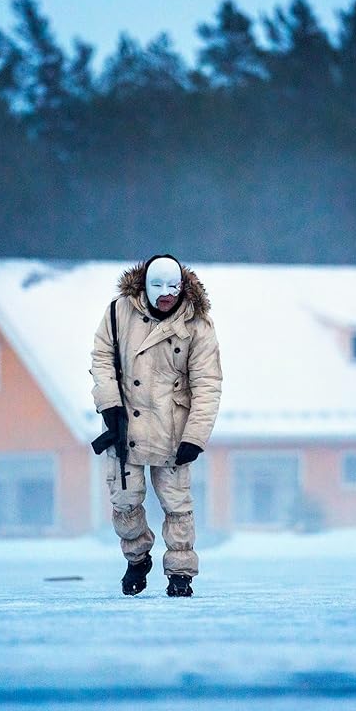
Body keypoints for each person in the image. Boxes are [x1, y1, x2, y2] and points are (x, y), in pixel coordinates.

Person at [90, 254, 222, 597]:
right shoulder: (118, 314)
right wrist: (109, 405)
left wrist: (196, 436)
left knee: (177, 504)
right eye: (157, 285)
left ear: (183, 286)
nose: (165, 293)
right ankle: (136, 559)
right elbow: (101, 359)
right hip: (126, 426)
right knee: (125, 499)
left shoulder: (197, 325)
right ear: (144, 286)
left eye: (172, 286)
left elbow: (208, 384)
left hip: (173, 429)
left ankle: (180, 574)